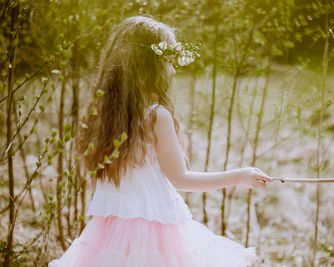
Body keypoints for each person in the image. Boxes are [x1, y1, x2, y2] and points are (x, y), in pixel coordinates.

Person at [49, 15, 272, 267]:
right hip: (157, 234)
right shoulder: (156, 116)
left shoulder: (100, 117)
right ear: (149, 66)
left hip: (107, 235)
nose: (173, 69)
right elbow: (181, 179)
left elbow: (94, 184)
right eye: (168, 61)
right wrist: (239, 176)